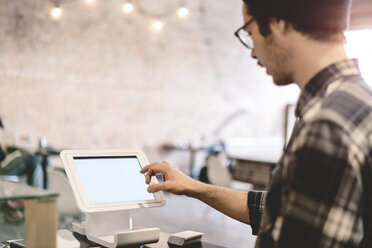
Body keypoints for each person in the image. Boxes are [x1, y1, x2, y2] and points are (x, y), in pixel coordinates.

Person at [141, 0, 371, 247]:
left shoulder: (325, 125)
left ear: (277, 23)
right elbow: (283, 212)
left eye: (249, 33)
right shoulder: (357, 101)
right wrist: (194, 187)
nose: (252, 52)